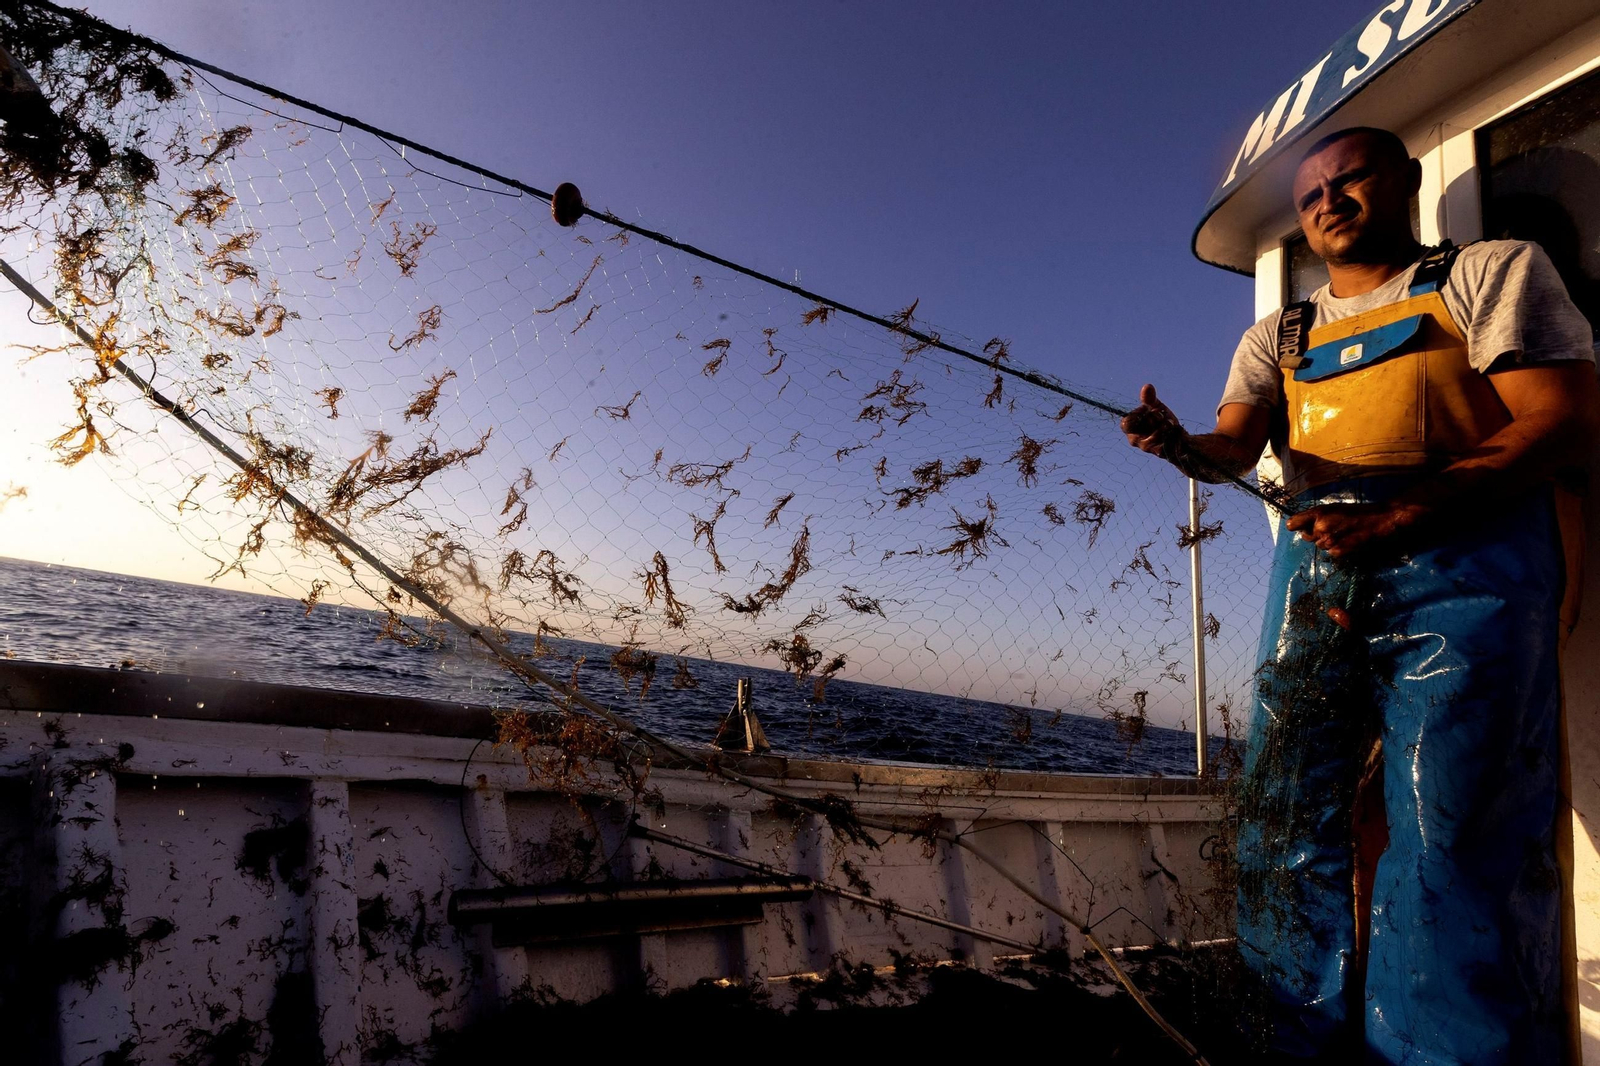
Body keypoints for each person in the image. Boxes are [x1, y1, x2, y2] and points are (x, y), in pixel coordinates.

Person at [1122, 126, 1600, 1064]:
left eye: (1351, 180)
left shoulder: (1491, 272)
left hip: (1471, 575)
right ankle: (1289, 1040)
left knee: (1452, 831)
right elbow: (1234, 444)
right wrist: (1184, 445)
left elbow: (1566, 420)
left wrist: (1410, 511)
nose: (1328, 202)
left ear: (1408, 181)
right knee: (1282, 813)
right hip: (1317, 579)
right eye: (1310, 197)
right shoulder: (1280, 333)